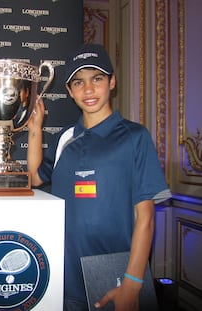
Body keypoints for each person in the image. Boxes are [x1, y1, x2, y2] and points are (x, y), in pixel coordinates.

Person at [27, 43, 171, 311]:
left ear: (112, 82)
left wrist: (133, 281)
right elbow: (35, 177)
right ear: (70, 91)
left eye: (97, 79)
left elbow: (146, 217)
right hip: (65, 278)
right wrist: (36, 128)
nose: (89, 89)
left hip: (115, 277)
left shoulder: (134, 137)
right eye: (78, 83)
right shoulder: (65, 139)